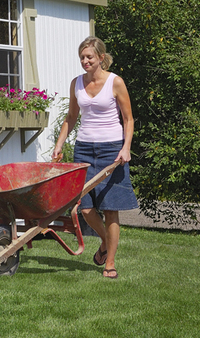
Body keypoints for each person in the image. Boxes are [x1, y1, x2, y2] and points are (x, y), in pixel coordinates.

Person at [52, 36, 137, 279]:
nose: (85, 61)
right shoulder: (76, 83)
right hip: (84, 149)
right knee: (83, 207)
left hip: (112, 149)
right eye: (82, 57)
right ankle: (104, 241)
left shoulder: (115, 82)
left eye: (90, 57)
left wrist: (126, 147)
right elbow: (71, 117)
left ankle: (109, 263)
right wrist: (60, 145)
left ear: (101, 58)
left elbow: (128, 119)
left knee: (110, 209)